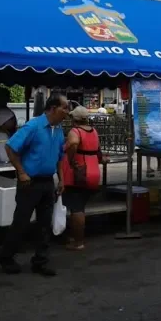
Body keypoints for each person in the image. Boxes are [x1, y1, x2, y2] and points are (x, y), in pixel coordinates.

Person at [0, 94, 69, 276]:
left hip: (47, 182)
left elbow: (60, 157)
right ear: (53, 108)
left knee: (45, 224)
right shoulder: (34, 126)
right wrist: (21, 172)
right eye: (65, 107)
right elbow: (10, 147)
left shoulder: (59, 130)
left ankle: (40, 260)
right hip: (30, 182)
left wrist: (61, 179)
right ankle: (6, 256)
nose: (67, 112)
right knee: (21, 222)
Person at [59, 106, 108, 250]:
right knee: (80, 205)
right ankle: (74, 236)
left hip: (79, 173)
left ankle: (78, 242)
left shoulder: (75, 131)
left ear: (74, 119)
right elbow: (98, 151)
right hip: (93, 172)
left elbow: (73, 143)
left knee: (77, 208)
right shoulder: (94, 131)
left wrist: (71, 158)